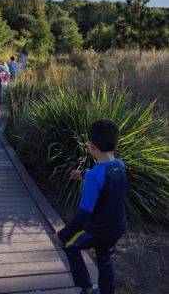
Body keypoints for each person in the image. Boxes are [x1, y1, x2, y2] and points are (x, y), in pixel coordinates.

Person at [52, 119, 126, 294]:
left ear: (91, 147)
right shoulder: (120, 166)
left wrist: (62, 235)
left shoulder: (94, 177)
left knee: (71, 246)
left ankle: (86, 287)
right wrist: (83, 173)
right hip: (117, 228)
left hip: (98, 230)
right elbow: (105, 179)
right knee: (104, 258)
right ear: (116, 142)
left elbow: (83, 215)